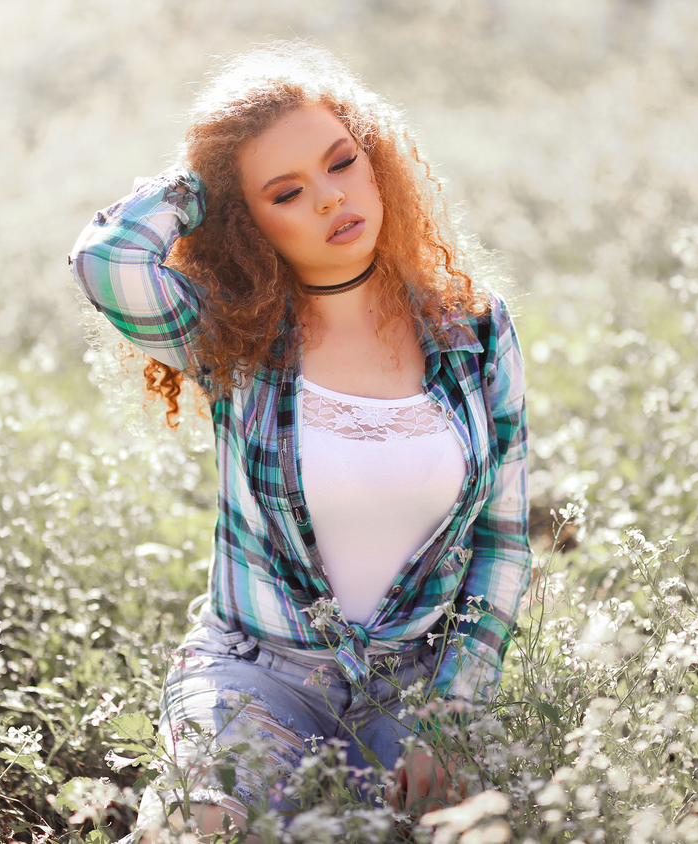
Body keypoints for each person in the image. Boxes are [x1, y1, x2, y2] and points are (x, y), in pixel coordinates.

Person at [69, 41, 530, 842]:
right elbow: (107, 261)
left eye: (342, 161)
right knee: (196, 824)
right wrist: (200, 183)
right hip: (256, 676)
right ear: (246, 222)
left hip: (414, 685)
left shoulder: (474, 327)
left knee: (463, 827)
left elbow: (503, 537)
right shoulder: (232, 336)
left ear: (377, 157)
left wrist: (456, 705)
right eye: (286, 192)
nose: (330, 198)